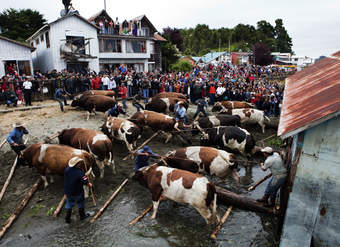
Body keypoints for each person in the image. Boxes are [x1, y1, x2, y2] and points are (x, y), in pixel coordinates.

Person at [64, 157, 93, 224]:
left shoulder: (67, 170)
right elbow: (85, 182)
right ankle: (82, 216)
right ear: (77, 164)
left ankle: (67, 219)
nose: (80, 163)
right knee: (80, 203)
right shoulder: (80, 172)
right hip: (77, 192)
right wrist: (89, 184)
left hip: (68, 191)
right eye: (79, 163)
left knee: (69, 205)